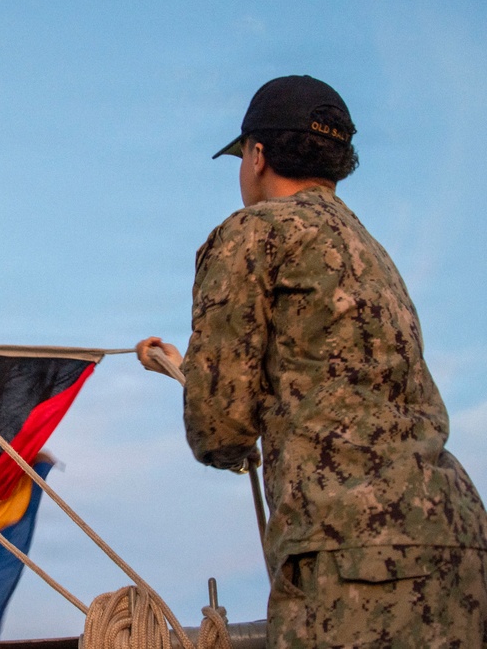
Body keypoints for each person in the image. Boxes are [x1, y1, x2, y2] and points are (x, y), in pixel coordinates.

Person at [136, 75, 487, 647]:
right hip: (459, 541)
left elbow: (220, 430)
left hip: (352, 553)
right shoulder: (369, 248)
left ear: (257, 155)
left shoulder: (252, 232)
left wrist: (193, 377)